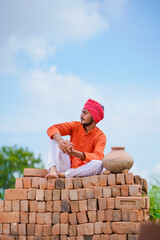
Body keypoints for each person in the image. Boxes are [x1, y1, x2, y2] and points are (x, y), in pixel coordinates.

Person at [45, 98, 106, 179]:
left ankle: (65, 175)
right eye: (82, 112)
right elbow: (52, 128)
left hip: (84, 171)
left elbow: (98, 156)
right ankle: (53, 170)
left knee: (99, 164)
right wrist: (61, 141)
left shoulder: (100, 136)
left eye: (85, 113)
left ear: (94, 117)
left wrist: (73, 152)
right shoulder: (75, 126)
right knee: (53, 138)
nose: (81, 115)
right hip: (68, 165)